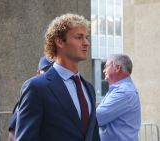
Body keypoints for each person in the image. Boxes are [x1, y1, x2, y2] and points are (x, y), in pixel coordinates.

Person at [15, 13, 100, 141]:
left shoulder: (89, 88)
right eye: (79, 37)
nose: (86, 43)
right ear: (59, 41)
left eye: (86, 37)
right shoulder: (36, 87)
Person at [8, 56, 54, 141]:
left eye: (54, 71)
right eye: (46, 70)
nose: (50, 74)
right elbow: (13, 136)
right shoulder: (30, 97)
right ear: (38, 74)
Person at [96, 54, 141, 141]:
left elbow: (97, 118)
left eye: (106, 66)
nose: (104, 70)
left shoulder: (124, 92)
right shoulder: (120, 89)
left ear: (117, 68)